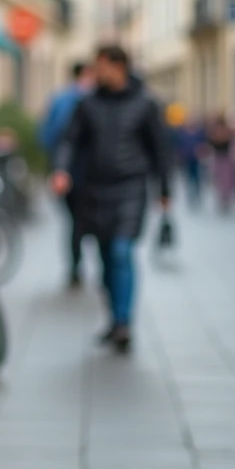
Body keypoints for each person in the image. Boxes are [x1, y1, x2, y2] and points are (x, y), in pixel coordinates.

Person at [49, 45, 171, 352]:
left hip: (131, 188)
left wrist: (165, 190)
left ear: (118, 67)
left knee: (121, 251)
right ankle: (114, 318)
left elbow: (161, 150)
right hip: (94, 190)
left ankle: (123, 322)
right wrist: (61, 170)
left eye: (101, 66)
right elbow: (70, 140)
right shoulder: (87, 104)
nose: (96, 72)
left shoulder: (145, 104)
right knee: (104, 256)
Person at [40, 61, 96, 288]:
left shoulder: (59, 99)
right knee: (88, 222)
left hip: (67, 172)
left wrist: (56, 168)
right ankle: (88, 268)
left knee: (74, 223)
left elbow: (46, 136)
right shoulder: (86, 100)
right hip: (86, 173)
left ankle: (75, 268)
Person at [206, 110, 235, 212]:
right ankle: (223, 197)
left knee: (228, 179)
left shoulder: (230, 130)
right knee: (221, 179)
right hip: (220, 157)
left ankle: (226, 197)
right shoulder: (215, 131)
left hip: (227, 157)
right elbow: (211, 143)